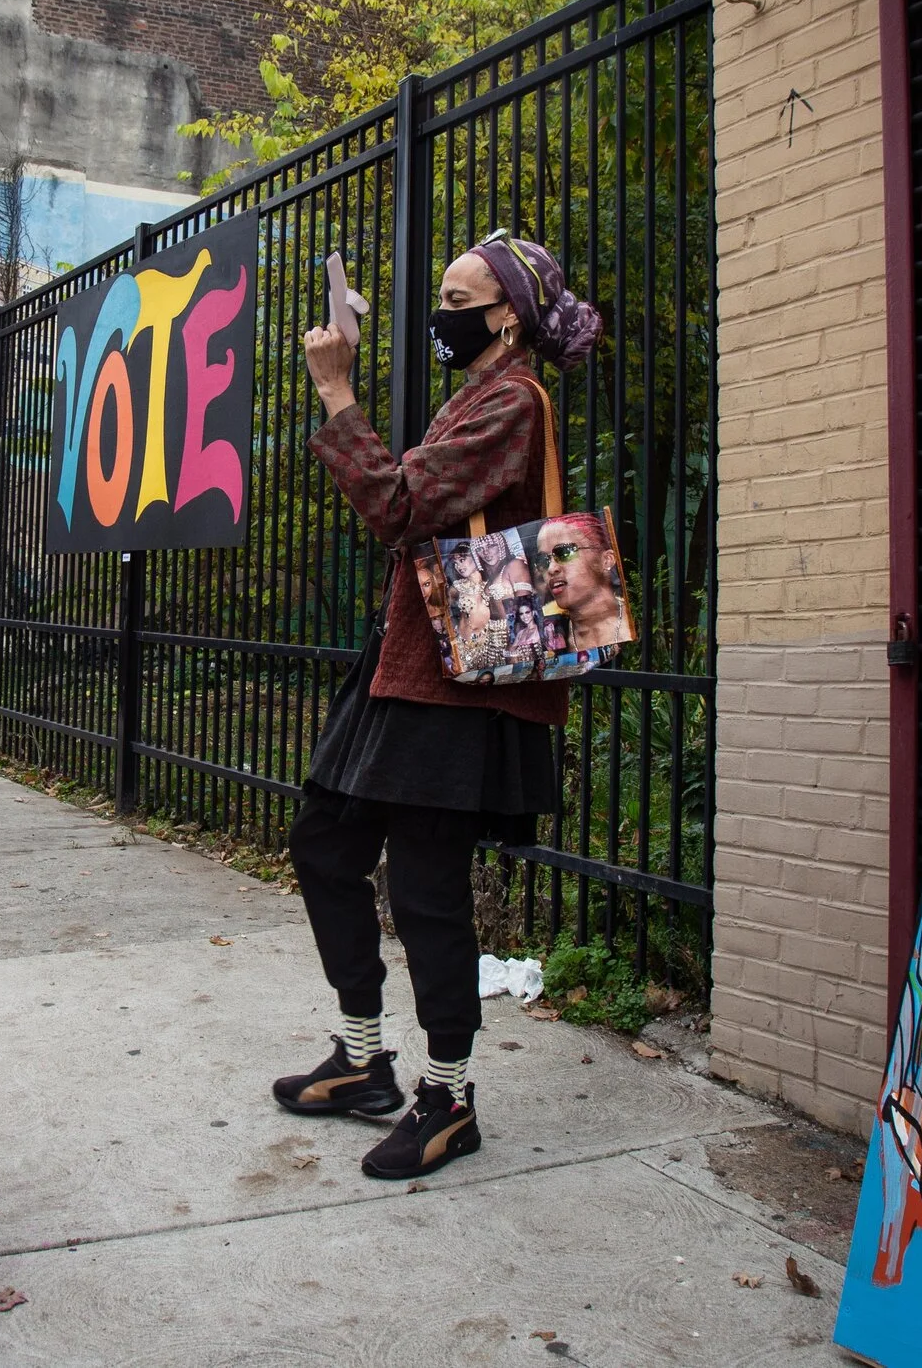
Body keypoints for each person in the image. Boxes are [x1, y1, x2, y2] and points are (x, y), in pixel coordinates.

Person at [273, 232, 600, 1180]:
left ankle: (448, 1097)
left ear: (505, 316)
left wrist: (337, 392)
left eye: (459, 296)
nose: (440, 311)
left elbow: (398, 505)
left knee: (425, 892)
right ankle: (364, 1057)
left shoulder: (511, 401)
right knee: (324, 841)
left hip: (456, 685)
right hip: (406, 667)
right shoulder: (477, 394)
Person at [535, 513, 629, 652]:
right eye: (543, 560)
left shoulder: (640, 625)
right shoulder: (547, 631)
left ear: (606, 560)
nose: (551, 569)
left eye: (565, 552)